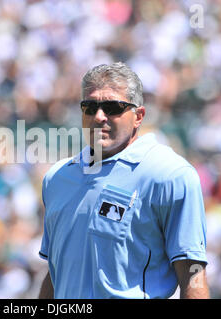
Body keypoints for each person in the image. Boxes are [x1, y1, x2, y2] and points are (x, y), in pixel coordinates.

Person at [38, 62, 209, 299]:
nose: (99, 117)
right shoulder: (57, 178)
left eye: (112, 107)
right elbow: (55, 273)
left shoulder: (170, 174)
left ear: (138, 116)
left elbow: (192, 276)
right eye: (89, 107)